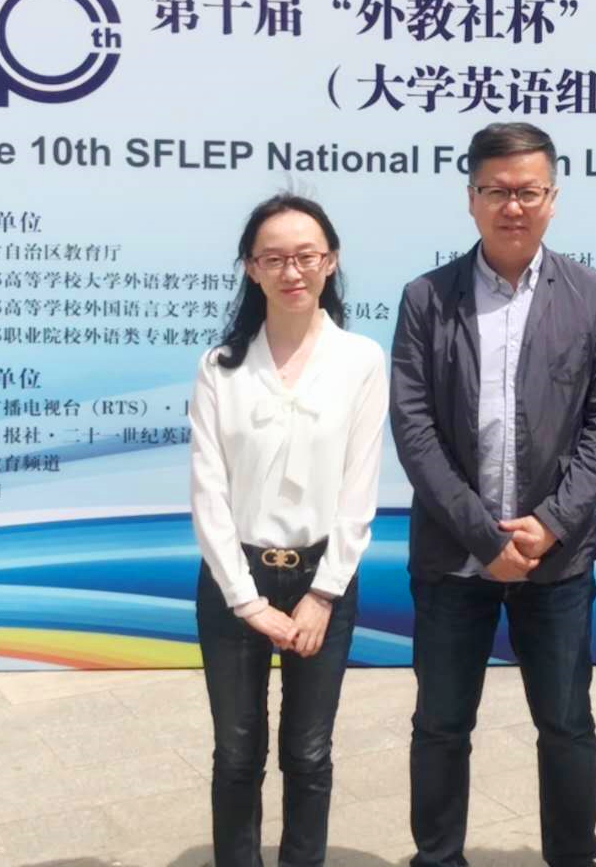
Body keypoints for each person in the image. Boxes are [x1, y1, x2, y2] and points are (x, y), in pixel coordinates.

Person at [390, 122, 596, 867]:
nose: (513, 206)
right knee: (440, 726)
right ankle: (438, 858)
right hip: (453, 560)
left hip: (555, 560)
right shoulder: (427, 298)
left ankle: (573, 858)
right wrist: (482, 536)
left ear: (553, 198)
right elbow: (413, 427)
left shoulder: (590, 295)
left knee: (566, 724)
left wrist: (550, 524)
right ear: (471, 199)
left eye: (528, 191)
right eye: (496, 191)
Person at [189, 193, 387, 867]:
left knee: (308, 752)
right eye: (273, 258)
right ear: (251, 268)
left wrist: (323, 594)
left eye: (306, 256)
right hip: (234, 578)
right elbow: (209, 492)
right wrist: (247, 602)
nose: (291, 271)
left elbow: (359, 489)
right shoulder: (221, 367)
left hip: (322, 578)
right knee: (237, 752)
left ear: (330, 262)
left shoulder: (361, 360)